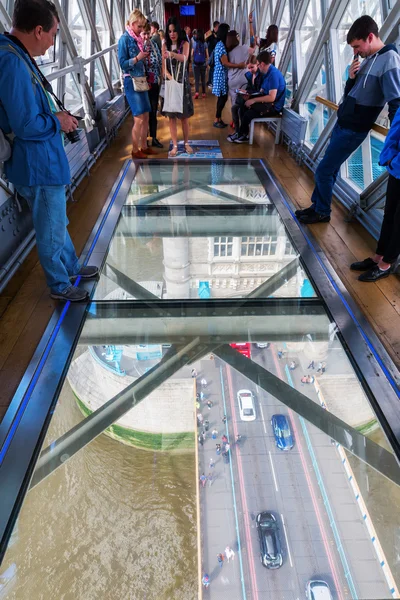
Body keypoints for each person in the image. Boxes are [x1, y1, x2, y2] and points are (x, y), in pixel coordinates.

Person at [0, 0, 99, 302]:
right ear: (39, 30)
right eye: (55, 34)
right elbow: (27, 124)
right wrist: (58, 121)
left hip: (39, 161)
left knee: (56, 221)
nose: (55, 41)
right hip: (37, 164)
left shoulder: (15, 53)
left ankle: (71, 267)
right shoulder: (13, 63)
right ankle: (59, 285)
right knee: (51, 227)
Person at [297, 15, 400, 224]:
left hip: (353, 129)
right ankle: (317, 205)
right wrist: (351, 80)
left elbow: (396, 102)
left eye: (357, 45)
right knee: (329, 169)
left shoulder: (389, 59)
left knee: (324, 170)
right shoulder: (369, 59)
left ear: (370, 37)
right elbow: (350, 95)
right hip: (344, 122)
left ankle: (322, 211)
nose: (355, 51)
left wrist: (394, 139)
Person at [351, 108, 400, 281]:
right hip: (397, 168)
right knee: (389, 214)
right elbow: (395, 130)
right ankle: (379, 256)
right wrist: (389, 158)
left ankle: (386, 264)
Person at [119, 9, 153, 160]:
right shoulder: (124, 40)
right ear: (132, 24)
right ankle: (134, 150)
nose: (141, 30)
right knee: (138, 117)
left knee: (145, 115)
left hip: (141, 79)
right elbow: (122, 64)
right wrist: (137, 58)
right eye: (139, 27)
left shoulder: (137, 40)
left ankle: (144, 146)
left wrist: (143, 58)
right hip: (131, 81)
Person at [234, 50, 286, 143]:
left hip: (273, 106)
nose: (257, 67)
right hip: (267, 103)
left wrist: (253, 100)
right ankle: (241, 133)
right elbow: (262, 91)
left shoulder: (273, 74)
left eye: (258, 65)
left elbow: (271, 97)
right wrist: (249, 95)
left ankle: (242, 134)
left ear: (261, 64)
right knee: (243, 106)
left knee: (248, 113)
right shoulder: (267, 73)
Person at [162, 17, 194, 157]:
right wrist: (171, 79)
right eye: (169, 31)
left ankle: (186, 143)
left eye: (174, 31)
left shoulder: (185, 43)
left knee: (184, 117)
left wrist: (172, 54)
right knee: (171, 117)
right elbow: (163, 68)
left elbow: (185, 58)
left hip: (183, 83)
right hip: (170, 84)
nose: (172, 34)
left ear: (178, 31)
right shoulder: (165, 45)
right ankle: (175, 145)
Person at [212, 23, 246, 128]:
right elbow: (225, 63)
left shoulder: (219, 44)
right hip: (221, 75)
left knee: (222, 98)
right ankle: (217, 119)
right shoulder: (221, 46)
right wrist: (238, 66)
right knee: (222, 98)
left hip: (219, 74)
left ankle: (218, 118)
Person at [141, 22, 163, 149]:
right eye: (144, 33)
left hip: (154, 83)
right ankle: (145, 139)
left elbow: (159, 62)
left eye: (148, 33)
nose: (146, 36)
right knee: (145, 112)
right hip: (143, 85)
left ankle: (153, 137)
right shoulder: (139, 47)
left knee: (153, 111)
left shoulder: (153, 45)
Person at [228, 55, 260, 141]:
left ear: (258, 64)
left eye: (252, 67)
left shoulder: (260, 76)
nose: (250, 70)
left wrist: (249, 94)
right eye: (248, 68)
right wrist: (244, 91)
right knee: (234, 108)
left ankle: (243, 133)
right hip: (251, 97)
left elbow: (260, 92)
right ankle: (238, 131)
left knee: (240, 109)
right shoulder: (250, 75)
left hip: (257, 100)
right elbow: (250, 88)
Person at [227, 28, 254, 125]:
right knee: (242, 101)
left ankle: (234, 122)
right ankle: (243, 121)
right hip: (243, 79)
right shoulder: (244, 48)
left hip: (231, 79)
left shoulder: (227, 51)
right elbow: (254, 50)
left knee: (234, 101)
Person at [192, 28, 208, 99]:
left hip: (196, 64)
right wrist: (207, 63)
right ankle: (204, 93)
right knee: (203, 78)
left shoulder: (195, 43)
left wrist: (192, 61)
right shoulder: (205, 43)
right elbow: (207, 54)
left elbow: (191, 54)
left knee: (197, 79)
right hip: (203, 63)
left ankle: (197, 92)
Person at [206, 20, 220, 87]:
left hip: (217, 54)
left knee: (215, 69)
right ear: (215, 27)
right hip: (211, 53)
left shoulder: (218, 34)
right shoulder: (210, 34)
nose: (219, 28)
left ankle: (213, 81)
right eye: (218, 27)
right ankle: (210, 82)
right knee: (212, 68)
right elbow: (205, 40)